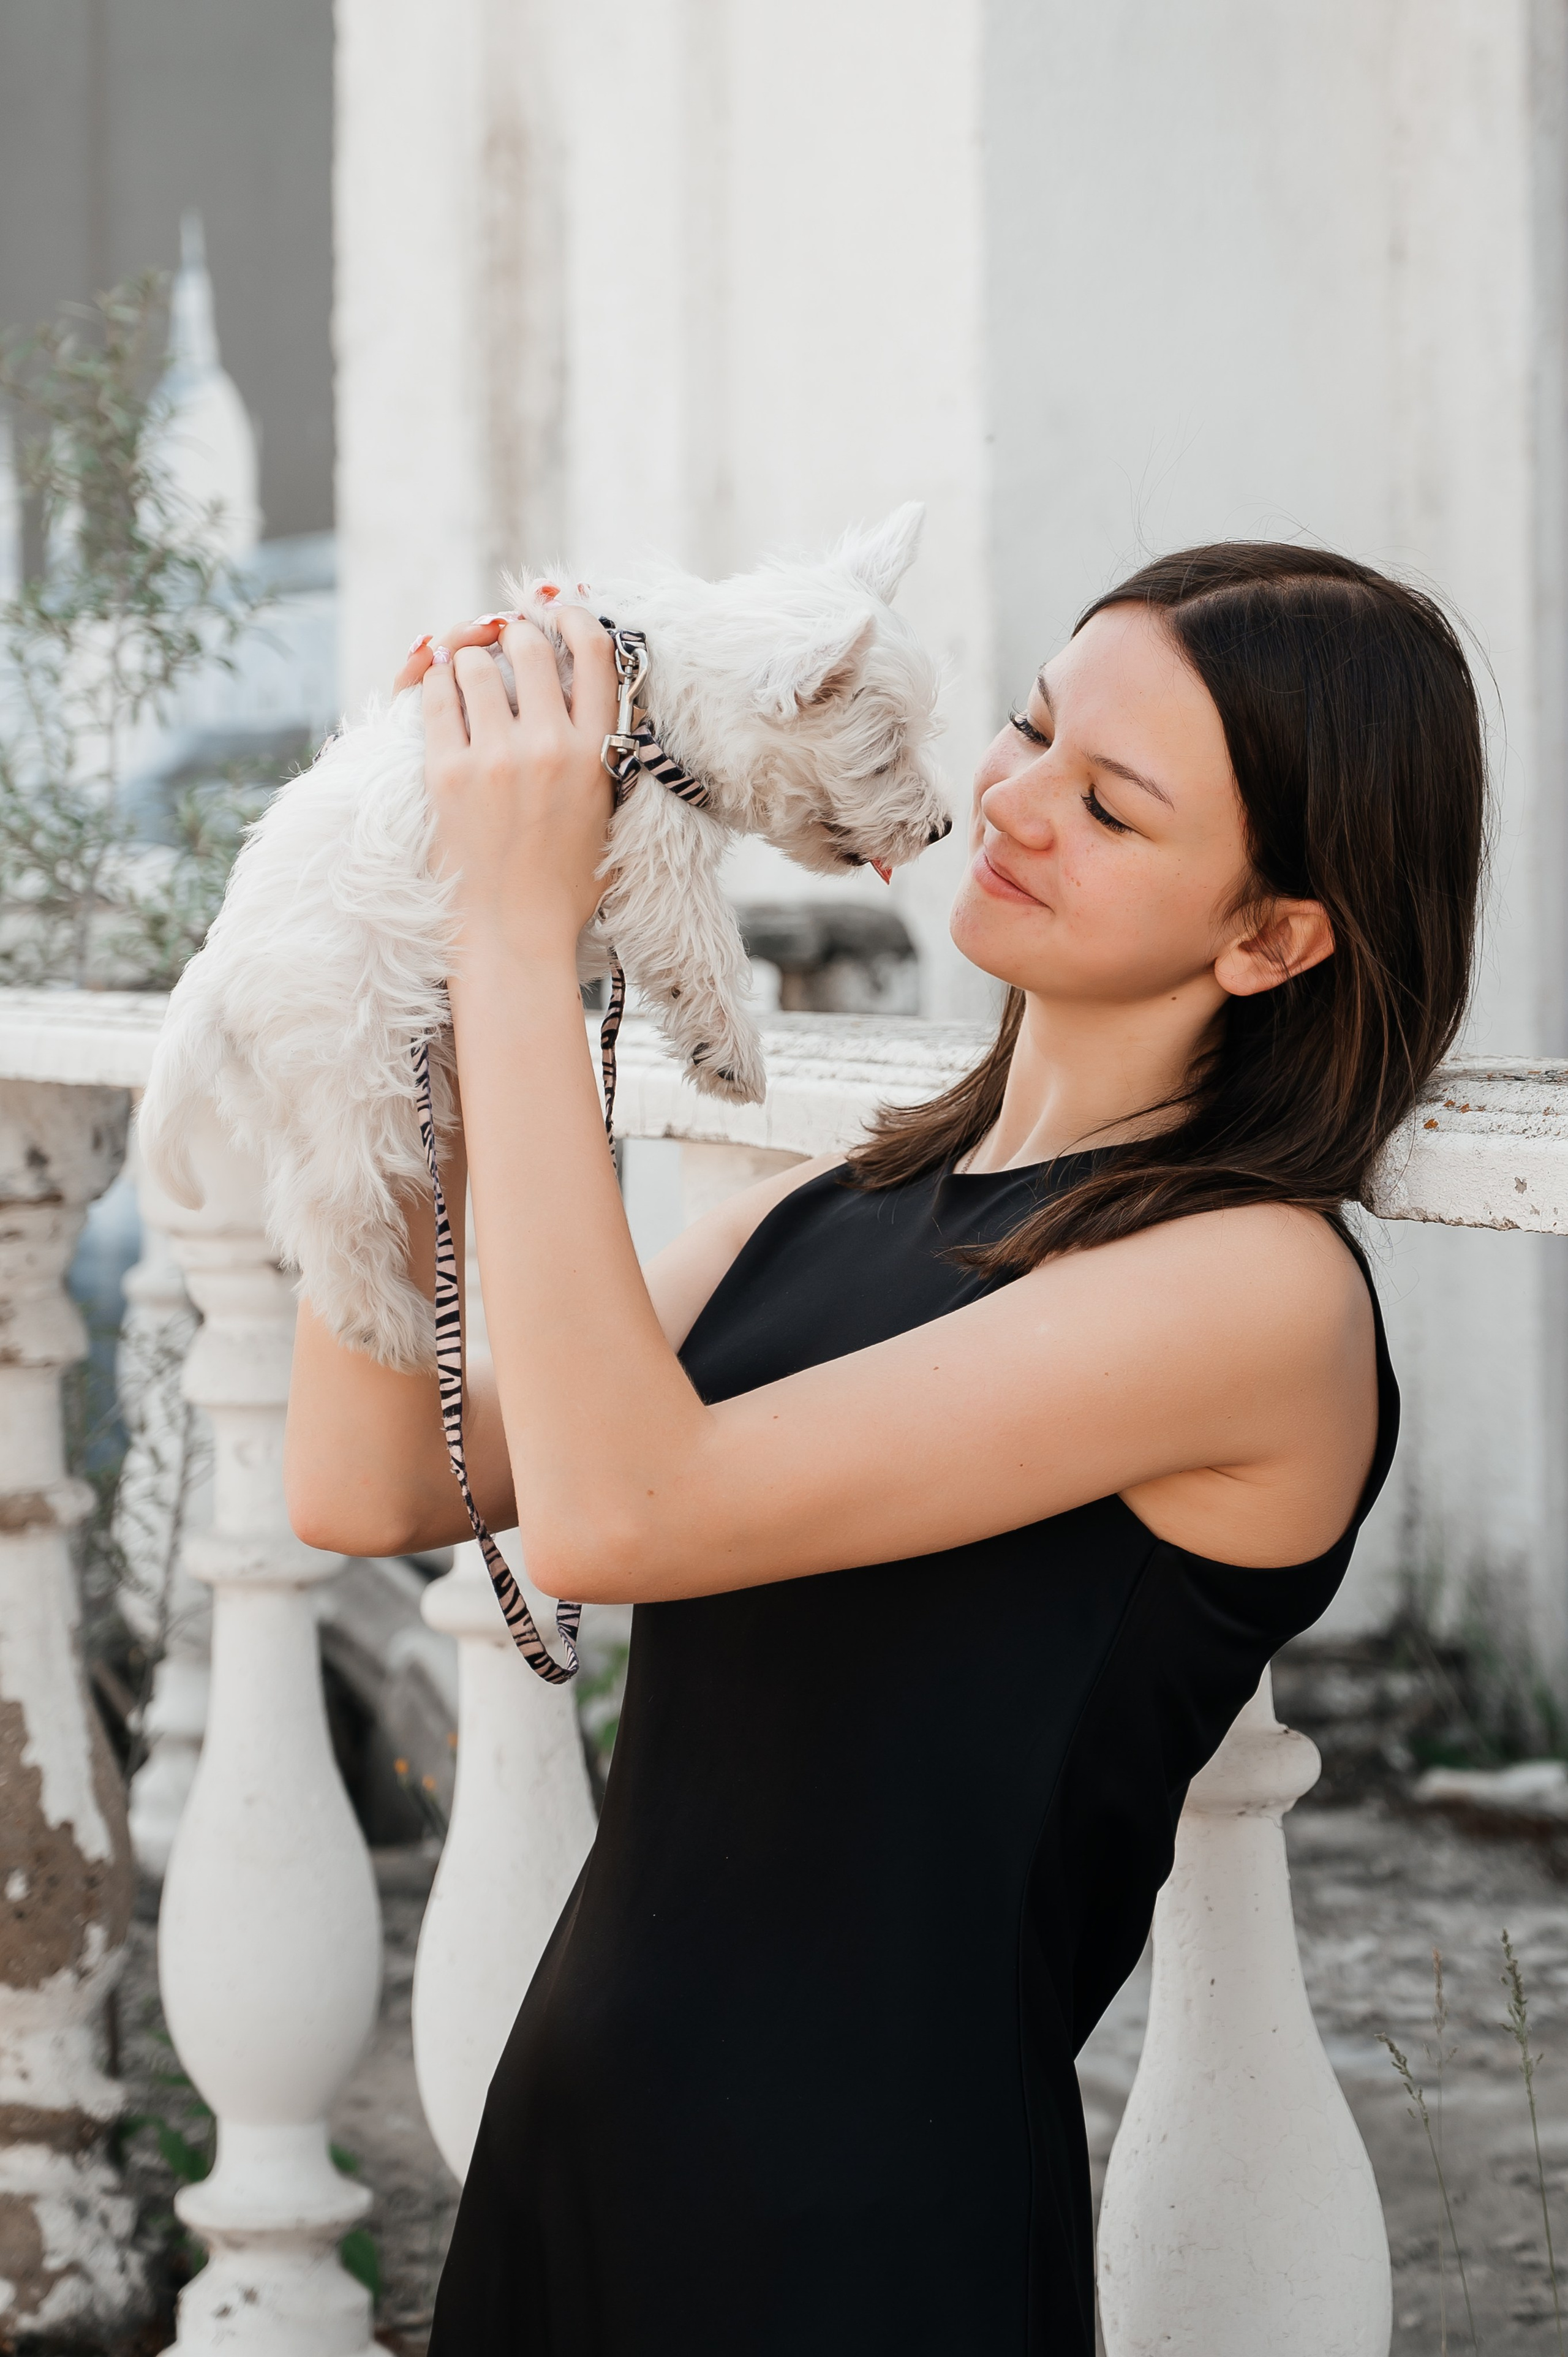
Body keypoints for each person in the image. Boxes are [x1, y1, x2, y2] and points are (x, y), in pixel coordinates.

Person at [285, 543, 1485, 2355]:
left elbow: (617, 1516)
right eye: (1031, 727)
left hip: (862, 2226)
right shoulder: (844, 1200)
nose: (1011, 799)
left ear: (1272, 937)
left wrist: (523, 938)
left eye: (1112, 804)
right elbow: (368, 1476)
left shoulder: (1254, 1292)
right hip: (577, 2153)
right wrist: (403, 910)